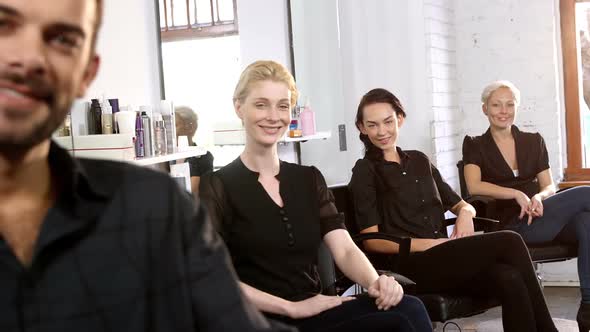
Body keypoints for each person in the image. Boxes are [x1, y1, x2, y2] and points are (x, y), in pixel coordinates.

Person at [0, 1, 293, 331]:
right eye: (3, 24)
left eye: (63, 39)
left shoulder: (158, 210)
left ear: (86, 73)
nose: (29, 59)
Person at [199, 60, 432, 332]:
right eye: (261, 104)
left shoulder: (308, 179)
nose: (273, 116)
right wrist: (291, 307)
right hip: (258, 319)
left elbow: (344, 249)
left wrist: (376, 283)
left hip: (316, 309)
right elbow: (211, 277)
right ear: (239, 107)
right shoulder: (217, 185)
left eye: (283, 106)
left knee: (409, 309)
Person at [349, 88, 557, 332]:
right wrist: (432, 244)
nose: (382, 131)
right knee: (510, 241)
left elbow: (459, 202)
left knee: (509, 278)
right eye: (372, 125)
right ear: (362, 128)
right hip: (409, 267)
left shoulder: (419, 161)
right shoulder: (365, 171)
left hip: (445, 259)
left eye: (388, 122)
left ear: (400, 119)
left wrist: (466, 214)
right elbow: (372, 242)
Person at [462, 79, 590, 331]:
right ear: (484, 109)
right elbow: (473, 186)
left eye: (510, 104)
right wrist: (515, 194)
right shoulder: (475, 144)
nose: (503, 110)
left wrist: (539, 197)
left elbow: (549, 186)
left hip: (541, 215)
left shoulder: (533, 140)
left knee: (587, 221)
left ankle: (588, 305)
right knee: (586, 194)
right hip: (510, 227)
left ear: (517, 107)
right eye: (496, 105)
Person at [175, 106, 214, 193]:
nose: (170, 130)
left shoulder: (204, 157)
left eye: (175, 125)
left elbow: (193, 193)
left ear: (190, 127)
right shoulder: (166, 157)